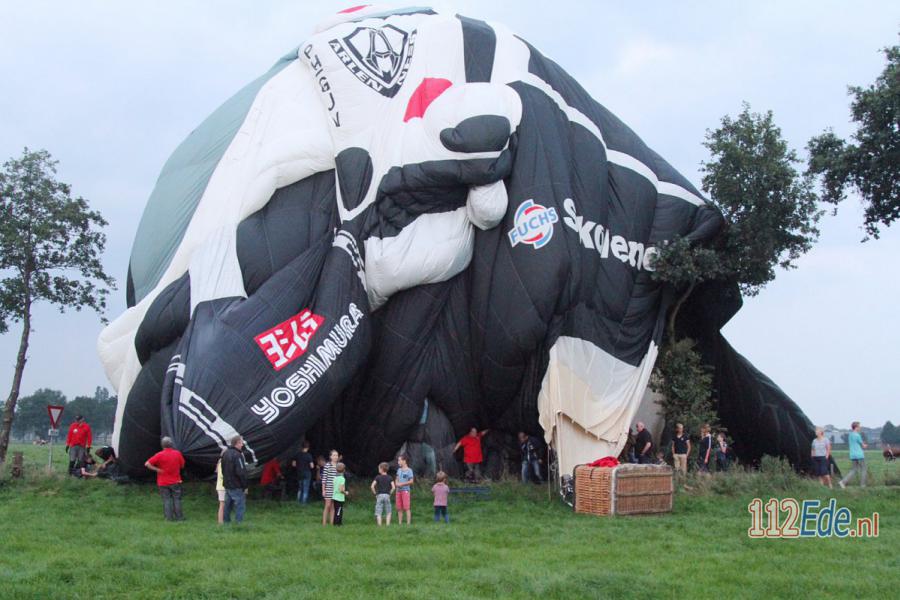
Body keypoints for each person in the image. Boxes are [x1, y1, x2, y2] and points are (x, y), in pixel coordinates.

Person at [144, 437, 186, 522]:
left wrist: (157, 469)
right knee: (176, 499)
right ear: (171, 444)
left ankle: (168, 518)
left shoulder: (159, 455)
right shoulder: (177, 453)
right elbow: (182, 465)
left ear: (162, 445)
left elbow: (147, 464)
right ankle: (179, 518)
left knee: (167, 499)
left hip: (163, 482)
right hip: (175, 480)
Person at [221, 435, 249, 524]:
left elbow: (222, 469)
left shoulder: (225, 453)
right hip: (236, 485)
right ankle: (239, 524)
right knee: (240, 505)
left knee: (227, 505)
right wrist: (245, 485)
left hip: (227, 484)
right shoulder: (238, 455)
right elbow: (241, 471)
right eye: (241, 443)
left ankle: (226, 523)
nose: (242, 445)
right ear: (237, 443)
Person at [839, 421, 868, 489]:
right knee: (864, 469)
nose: (860, 428)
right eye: (859, 426)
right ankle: (862, 485)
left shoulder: (850, 435)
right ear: (856, 427)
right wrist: (865, 445)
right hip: (859, 455)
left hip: (852, 455)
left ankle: (843, 482)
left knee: (854, 470)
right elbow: (863, 445)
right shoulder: (857, 435)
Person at [371, 462, 394, 526]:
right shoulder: (390, 477)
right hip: (387, 495)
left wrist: (375, 494)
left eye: (379, 468)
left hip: (379, 495)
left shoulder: (378, 477)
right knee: (388, 511)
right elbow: (393, 487)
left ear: (381, 469)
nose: (378, 470)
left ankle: (379, 525)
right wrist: (390, 493)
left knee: (378, 511)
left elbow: (372, 486)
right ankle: (388, 525)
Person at [395, 454, 415, 525]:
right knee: (399, 508)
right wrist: (396, 483)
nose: (398, 462)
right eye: (398, 460)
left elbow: (411, 481)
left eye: (399, 460)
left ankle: (408, 524)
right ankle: (400, 523)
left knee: (406, 507)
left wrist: (402, 484)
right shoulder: (398, 470)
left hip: (405, 491)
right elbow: (396, 479)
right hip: (398, 491)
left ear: (404, 461)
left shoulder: (409, 470)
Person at [322, 450, 339, 526]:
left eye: (337, 455)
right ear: (330, 457)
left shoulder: (339, 466)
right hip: (328, 488)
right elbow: (324, 479)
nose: (336, 457)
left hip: (336, 489)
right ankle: (324, 523)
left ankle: (332, 523)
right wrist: (323, 490)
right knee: (327, 505)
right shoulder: (327, 466)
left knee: (333, 506)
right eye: (334, 455)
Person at [215, 455, 226, 524]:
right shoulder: (222, 463)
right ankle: (220, 522)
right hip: (222, 487)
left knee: (223, 505)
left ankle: (223, 521)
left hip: (221, 486)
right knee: (222, 505)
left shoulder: (220, 463)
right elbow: (222, 475)